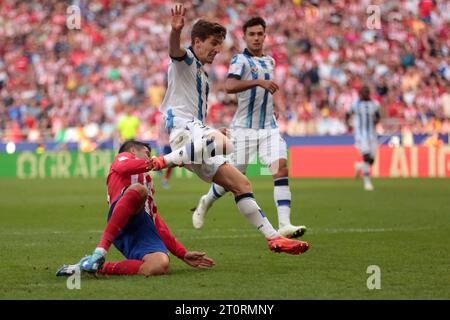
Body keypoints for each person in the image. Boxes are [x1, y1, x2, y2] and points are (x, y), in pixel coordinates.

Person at [152, 4, 309, 255]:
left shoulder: (202, 73)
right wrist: (174, 31)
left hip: (195, 135)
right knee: (227, 144)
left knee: (242, 183)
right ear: (197, 41)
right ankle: (162, 162)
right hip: (182, 132)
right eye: (213, 43)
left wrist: (211, 130)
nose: (217, 50)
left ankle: (273, 238)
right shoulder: (186, 60)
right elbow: (175, 50)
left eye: (219, 44)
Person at [191, 17, 306, 238]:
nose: (256, 38)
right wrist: (258, 82)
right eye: (251, 34)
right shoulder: (239, 61)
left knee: (280, 168)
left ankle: (284, 224)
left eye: (259, 34)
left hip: (269, 128)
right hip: (244, 129)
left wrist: (275, 106)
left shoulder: (270, 61)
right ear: (244, 36)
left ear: (265, 36)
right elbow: (229, 86)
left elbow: (270, 91)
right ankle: (206, 201)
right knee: (232, 180)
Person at [56, 140, 215, 277]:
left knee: (160, 264)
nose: (149, 156)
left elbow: (155, 220)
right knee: (139, 190)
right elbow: (125, 167)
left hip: (142, 227)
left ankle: (95, 266)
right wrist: (155, 162)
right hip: (122, 217)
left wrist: (182, 253)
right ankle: (100, 251)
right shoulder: (123, 158)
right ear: (133, 150)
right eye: (146, 153)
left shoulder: (147, 182)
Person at [346, 86, 381, 191]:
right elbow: (347, 114)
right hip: (361, 135)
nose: (364, 94)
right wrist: (348, 125)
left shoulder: (375, 104)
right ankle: (367, 181)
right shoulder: (356, 104)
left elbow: (378, 116)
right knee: (366, 156)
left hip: (372, 134)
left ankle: (359, 166)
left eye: (366, 92)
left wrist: (376, 121)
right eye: (362, 93)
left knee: (372, 160)